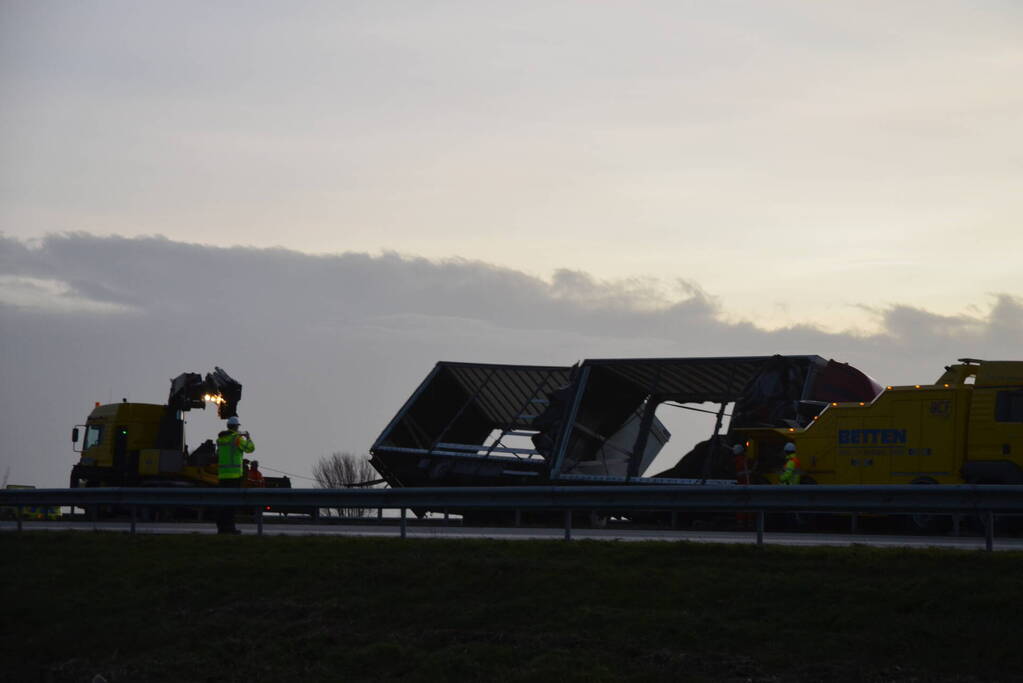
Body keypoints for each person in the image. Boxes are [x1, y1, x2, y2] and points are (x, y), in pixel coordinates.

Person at [216, 415, 255, 534]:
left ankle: (221, 528)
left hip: (222, 476)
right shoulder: (236, 439)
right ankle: (230, 528)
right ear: (236, 427)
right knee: (231, 505)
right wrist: (248, 438)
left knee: (222, 504)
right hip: (234, 477)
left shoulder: (221, 439)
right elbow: (250, 449)